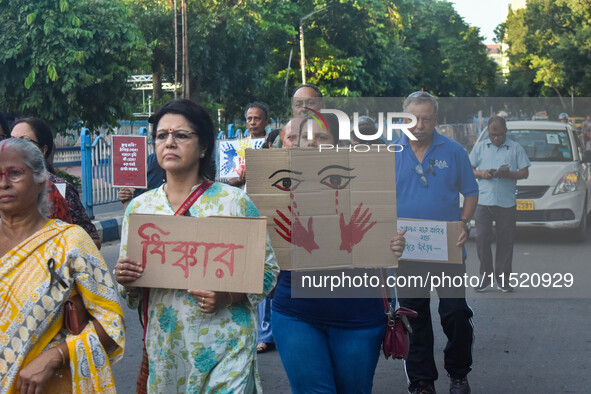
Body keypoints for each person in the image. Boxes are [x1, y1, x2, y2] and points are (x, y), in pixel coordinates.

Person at [114, 99, 279, 393]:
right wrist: (128, 281)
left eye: (181, 135)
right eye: (161, 136)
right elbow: (133, 291)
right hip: (167, 349)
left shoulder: (234, 203)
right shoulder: (140, 209)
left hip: (227, 346)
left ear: (203, 146)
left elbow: (268, 271)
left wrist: (228, 295)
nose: (169, 142)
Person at [271, 112, 407, 393]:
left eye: (321, 137)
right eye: (305, 138)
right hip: (296, 313)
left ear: (337, 144)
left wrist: (392, 245)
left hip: (357, 315)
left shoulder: (365, 182)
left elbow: (382, 235)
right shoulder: (276, 184)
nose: (311, 144)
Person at [0, 138, 125, 393]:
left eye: (14, 173)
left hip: (50, 385)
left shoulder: (70, 242)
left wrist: (54, 357)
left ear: (39, 181)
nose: (3, 183)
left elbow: (111, 321)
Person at [394, 91, 478, 394]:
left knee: (455, 313)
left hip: (447, 249)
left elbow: (471, 192)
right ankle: (421, 381)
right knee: (414, 317)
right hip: (406, 252)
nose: (420, 125)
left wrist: (464, 223)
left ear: (436, 120)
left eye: (426, 119)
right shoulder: (390, 153)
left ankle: (458, 374)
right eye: (413, 119)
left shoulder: (454, 151)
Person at [10, 117, 101, 249]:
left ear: (43, 150)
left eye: (25, 141)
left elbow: (93, 241)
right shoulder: (4, 188)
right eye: (11, 140)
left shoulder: (60, 189)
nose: (15, 147)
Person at [469, 116, 530, 292]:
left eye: (500, 135)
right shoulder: (480, 147)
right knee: (481, 239)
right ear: (488, 132)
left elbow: (525, 173)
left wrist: (508, 174)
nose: (496, 138)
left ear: (506, 132)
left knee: (506, 241)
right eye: (492, 135)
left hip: (506, 202)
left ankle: (503, 279)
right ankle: (485, 276)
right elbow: (469, 169)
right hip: (484, 201)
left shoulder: (515, 148)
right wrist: (482, 173)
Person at [228, 101, 270, 188]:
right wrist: (240, 180)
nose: (252, 123)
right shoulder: (239, 147)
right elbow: (230, 180)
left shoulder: (274, 144)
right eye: (249, 119)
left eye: (257, 119)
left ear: (266, 121)